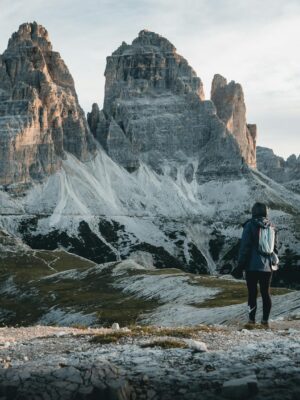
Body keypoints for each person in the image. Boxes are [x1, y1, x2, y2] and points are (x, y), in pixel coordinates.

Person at [233, 202, 278, 327]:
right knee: (266, 293)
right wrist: (273, 263)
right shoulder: (272, 227)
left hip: (252, 267)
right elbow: (275, 248)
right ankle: (265, 322)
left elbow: (245, 248)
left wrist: (240, 265)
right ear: (266, 212)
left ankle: (251, 321)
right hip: (268, 267)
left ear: (253, 212)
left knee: (252, 293)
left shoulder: (250, 225)